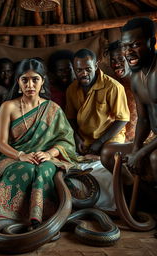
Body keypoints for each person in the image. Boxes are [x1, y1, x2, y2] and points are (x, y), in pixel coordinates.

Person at [0, 58, 80, 224]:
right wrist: (21, 155)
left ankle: (41, 217)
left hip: (44, 157)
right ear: (18, 82)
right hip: (14, 156)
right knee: (26, 170)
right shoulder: (8, 107)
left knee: (43, 170)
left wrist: (48, 153)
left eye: (35, 79)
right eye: (25, 80)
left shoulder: (52, 108)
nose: (30, 85)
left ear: (43, 81)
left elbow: (66, 140)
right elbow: (1, 144)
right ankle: (3, 214)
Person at [101, 17, 157, 188]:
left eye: (135, 45)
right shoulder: (136, 76)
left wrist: (141, 153)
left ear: (151, 42)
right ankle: (144, 199)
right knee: (108, 153)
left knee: (155, 158)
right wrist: (135, 150)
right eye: (125, 46)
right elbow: (144, 119)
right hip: (154, 141)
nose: (127, 52)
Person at [66, 48, 130, 156]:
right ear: (74, 69)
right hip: (84, 139)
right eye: (79, 70)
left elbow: (122, 119)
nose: (84, 74)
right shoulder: (71, 89)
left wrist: (100, 142)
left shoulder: (113, 87)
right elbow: (70, 117)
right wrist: (77, 138)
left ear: (96, 66)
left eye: (88, 69)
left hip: (109, 138)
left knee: (107, 153)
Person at [107, 40, 137, 142]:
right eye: (113, 60)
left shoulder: (143, 83)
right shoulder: (112, 86)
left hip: (145, 141)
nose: (116, 64)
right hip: (121, 141)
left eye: (121, 59)